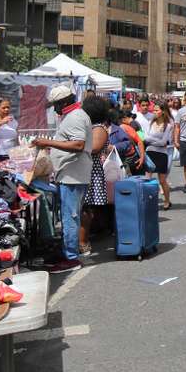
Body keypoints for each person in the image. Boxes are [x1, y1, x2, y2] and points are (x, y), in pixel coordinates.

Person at [33, 85, 93, 274]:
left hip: (73, 176)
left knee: (70, 217)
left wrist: (47, 143)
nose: (54, 109)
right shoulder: (73, 115)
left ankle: (71, 258)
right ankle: (68, 252)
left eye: (56, 105)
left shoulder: (75, 116)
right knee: (68, 216)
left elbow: (78, 144)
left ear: (64, 102)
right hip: (69, 174)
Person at [80, 96, 111, 256]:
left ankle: (83, 242)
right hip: (87, 170)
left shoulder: (98, 128)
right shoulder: (92, 126)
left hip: (91, 172)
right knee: (84, 207)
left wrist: (76, 145)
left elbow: (95, 147)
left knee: (86, 208)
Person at [144, 102, 176, 209]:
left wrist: (153, 141)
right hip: (150, 152)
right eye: (154, 110)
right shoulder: (150, 123)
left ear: (162, 111)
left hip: (162, 154)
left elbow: (163, 142)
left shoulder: (169, 126)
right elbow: (146, 138)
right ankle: (149, 201)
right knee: (147, 179)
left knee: (162, 180)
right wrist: (155, 141)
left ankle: (167, 201)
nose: (155, 112)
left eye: (157, 110)